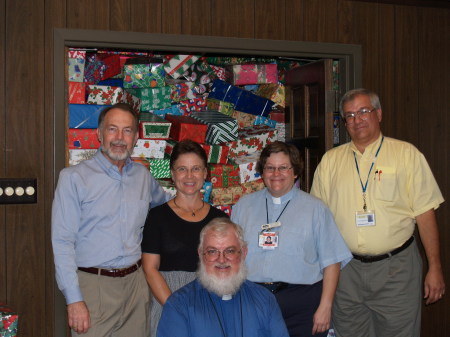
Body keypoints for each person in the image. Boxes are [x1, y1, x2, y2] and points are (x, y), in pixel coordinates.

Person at [310, 88, 445, 337]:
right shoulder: (330, 161)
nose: (357, 119)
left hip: (396, 270)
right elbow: (318, 220)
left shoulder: (407, 155)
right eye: (349, 115)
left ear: (379, 114)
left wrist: (434, 268)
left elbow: (425, 215)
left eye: (363, 111)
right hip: (345, 270)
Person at [52, 103, 169, 337]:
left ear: (136, 137)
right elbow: (62, 242)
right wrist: (74, 300)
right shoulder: (74, 178)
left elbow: (166, 207)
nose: (119, 138)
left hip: (136, 286)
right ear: (99, 133)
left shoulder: (142, 176)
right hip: (93, 287)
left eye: (127, 131)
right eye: (112, 129)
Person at [231, 141, 352, 337]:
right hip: (253, 301)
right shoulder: (243, 207)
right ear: (262, 172)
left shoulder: (315, 209)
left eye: (283, 168)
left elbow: (332, 262)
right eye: (270, 168)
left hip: (302, 305)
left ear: (295, 171)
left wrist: (325, 306)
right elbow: (231, 257)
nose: (276, 173)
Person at [141, 139, 228, 336]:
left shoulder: (220, 219)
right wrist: (178, 309)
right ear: (172, 174)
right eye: (182, 169)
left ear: (205, 173)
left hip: (210, 306)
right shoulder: (157, 217)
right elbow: (150, 268)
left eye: (196, 169)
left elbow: (226, 268)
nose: (189, 176)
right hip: (168, 303)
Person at [156, 217, 290, 337]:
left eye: (230, 251)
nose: (221, 260)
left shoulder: (265, 300)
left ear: (243, 253)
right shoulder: (179, 305)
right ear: (201, 254)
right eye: (212, 251)